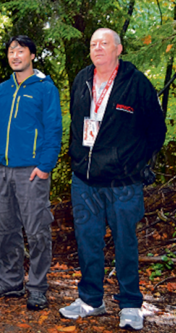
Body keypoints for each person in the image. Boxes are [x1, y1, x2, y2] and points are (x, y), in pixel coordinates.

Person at [59, 28, 167, 330]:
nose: (98, 48)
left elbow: (156, 131)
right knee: (88, 241)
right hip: (85, 180)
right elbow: (79, 124)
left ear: (118, 49)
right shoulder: (82, 79)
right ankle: (91, 299)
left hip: (123, 182)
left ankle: (131, 303)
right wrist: (78, 158)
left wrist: (132, 161)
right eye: (93, 44)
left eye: (104, 43)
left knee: (125, 242)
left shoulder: (136, 84)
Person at [0, 35, 62, 310]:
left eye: (21, 51)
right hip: (0, 171)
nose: (15, 55)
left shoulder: (44, 88)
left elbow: (54, 129)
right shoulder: (3, 89)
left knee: (37, 230)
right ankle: (11, 281)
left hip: (31, 172)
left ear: (31, 55)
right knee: (5, 230)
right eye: (11, 51)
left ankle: (38, 287)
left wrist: (44, 166)